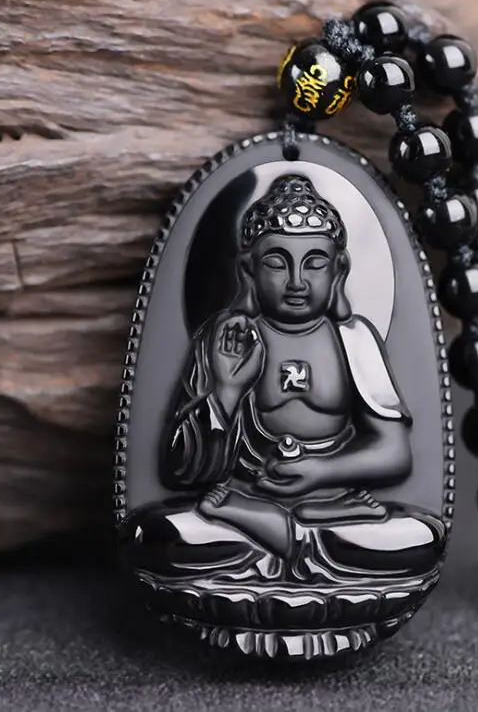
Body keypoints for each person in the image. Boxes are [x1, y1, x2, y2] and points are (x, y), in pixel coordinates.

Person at [122, 175, 445, 585]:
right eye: (277, 263)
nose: (296, 281)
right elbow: (181, 471)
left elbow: (395, 453)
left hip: (336, 509)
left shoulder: (356, 340)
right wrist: (226, 390)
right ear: (248, 270)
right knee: (154, 535)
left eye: (314, 263)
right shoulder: (227, 339)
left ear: (339, 269)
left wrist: (320, 471)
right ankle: (291, 543)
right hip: (244, 496)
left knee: (421, 539)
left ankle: (282, 538)